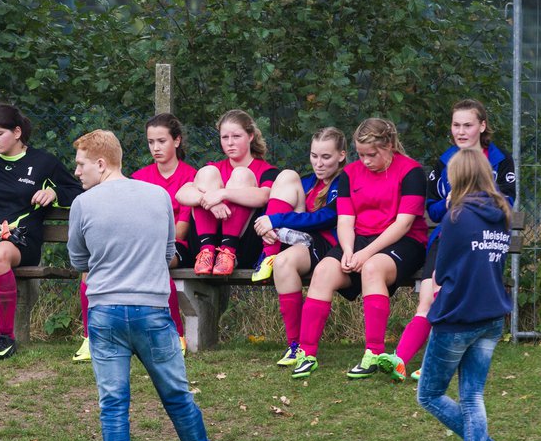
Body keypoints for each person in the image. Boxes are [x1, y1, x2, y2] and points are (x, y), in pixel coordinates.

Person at [68, 129, 248, 441]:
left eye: (81, 163)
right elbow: (169, 252)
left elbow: (78, 262)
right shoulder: (158, 197)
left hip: (104, 313)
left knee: (113, 404)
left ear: (102, 163)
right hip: (152, 310)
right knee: (178, 397)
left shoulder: (83, 204)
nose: (77, 171)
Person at [387, 99, 517, 381]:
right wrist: (448, 204)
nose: (461, 131)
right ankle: (398, 360)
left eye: (468, 125)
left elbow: (506, 203)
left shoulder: (499, 159)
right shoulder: (445, 160)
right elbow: (431, 207)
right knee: (428, 296)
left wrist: (471, 200)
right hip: (445, 236)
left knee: (449, 298)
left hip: (480, 241)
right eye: (456, 125)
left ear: (482, 126)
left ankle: (436, 363)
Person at [416, 147, 519, 441]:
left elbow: (441, 271)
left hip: (458, 316)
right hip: (491, 316)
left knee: (429, 394)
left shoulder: (457, 217)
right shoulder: (501, 214)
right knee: (472, 396)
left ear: (458, 177)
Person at [290, 118, 428, 380]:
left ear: (389, 145)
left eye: (372, 154)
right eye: (361, 154)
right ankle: (306, 354)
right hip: (359, 240)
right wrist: (349, 250)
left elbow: (404, 223)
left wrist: (366, 255)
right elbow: (345, 220)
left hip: (404, 241)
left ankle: (373, 353)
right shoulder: (350, 173)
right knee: (323, 272)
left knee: (373, 268)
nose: (365, 161)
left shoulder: (411, 172)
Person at [0, 102, 81, 362]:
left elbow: (78, 192)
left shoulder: (44, 162)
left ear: (18, 132)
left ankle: (6, 337)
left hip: (21, 241)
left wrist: (53, 193)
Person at [75, 113, 196, 363]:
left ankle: (176, 335)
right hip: (140, 246)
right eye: (151, 142)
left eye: (161, 141)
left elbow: (180, 231)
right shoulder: (140, 176)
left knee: (158, 262)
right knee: (88, 272)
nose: (155, 148)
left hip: (176, 247)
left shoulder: (190, 175)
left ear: (176, 141)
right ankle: (90, 338)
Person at [249, 126, 347, 367]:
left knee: (284, 261)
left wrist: (276, 220)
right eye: (314, 156)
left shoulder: (345, 180)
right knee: (286, 176)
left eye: (326, 157)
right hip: (298, 239)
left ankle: (303, 345)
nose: (319, 163)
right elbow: (280, 207)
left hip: (329, 243)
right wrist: (272, 223)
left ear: (341, 155)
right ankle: (294, 346)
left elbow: (326, 218)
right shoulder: (307, 181)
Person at [176, 109, 284, 276]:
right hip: (205, 246)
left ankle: (228, 250)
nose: (230, 142)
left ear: (250, 136)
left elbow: (263, 197)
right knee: (207, 173)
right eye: (224, 137)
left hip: (243, 246)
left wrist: (223, 194)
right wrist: (210, 200)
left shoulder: (266, 171)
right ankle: (207, 251)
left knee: (242, 174)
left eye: (236, 136)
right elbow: (182, 193)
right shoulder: (214, 167)